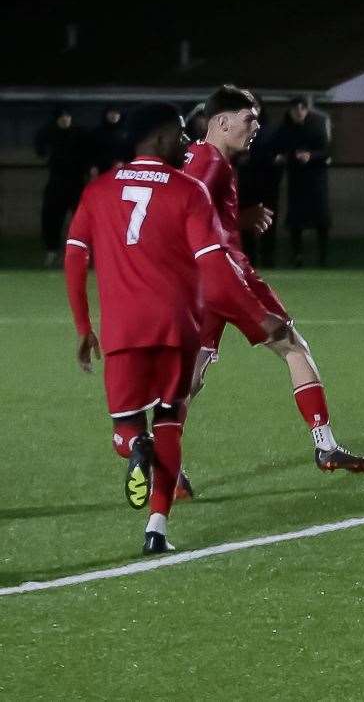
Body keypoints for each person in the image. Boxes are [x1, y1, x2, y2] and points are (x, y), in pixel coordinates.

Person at [63, 103, 283, 554]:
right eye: (181, 133)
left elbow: (74, 255)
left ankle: (133, 447)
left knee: (125, 431)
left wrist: (85, 325)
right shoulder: (188, 192)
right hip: (178, 330)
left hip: (122, 331)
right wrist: (257, 315)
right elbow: (216, 269)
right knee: (170, 423)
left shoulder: (99, 190)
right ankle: (156, 530)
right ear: (160, 136)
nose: (187, 142)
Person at [182, 85, 364, 472]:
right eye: (249, 118)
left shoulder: (194, 156)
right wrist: (240, 224)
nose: (256, 126)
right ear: (222, 121)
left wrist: (238, 218)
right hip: (227, 274)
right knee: (292, 345)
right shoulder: (212, 163)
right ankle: (325, 445)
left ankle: (165, 467)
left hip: (197, 280)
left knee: (192, 374)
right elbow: (187, 214)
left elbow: (193, 215)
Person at [279, 96, 333, 268]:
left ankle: (323, 256)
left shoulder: (317, 126)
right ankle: (297, 256)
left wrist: (311, 156)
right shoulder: (286, 128)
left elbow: (326, 151)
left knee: (321, 218)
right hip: (297, 179)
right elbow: (281, 150)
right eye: (296, 109)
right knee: (296, 220)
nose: (299, 112)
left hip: (316, 178)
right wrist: (292, 157)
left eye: (302, 108)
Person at [36, 108, 93, 267]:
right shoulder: (50, 134)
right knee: (51, 216)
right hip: (57, 182)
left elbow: (90, 151)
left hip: (77, 183)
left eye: (68, 117)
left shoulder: (80, 134)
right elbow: (40, 146)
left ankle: (82, 253)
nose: (65, 120)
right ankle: (52, 250)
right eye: (62, 117)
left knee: (80, 219)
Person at [243, 103, 287, 267]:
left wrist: (273, 161)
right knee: (248, 221)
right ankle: (249, 258)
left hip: (268, 184)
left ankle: (269, 258)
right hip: (247, 184)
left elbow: (280, 156)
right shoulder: (240, 130)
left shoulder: (271, 131)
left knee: (268, 221)